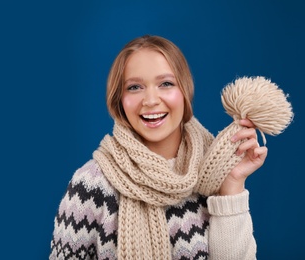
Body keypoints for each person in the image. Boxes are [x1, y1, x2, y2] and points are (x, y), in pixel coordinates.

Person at [49, 35, 268, 260]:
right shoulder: (90, 186)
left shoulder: (212, 175)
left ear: (185, 91)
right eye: (134, 87)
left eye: (166, 84)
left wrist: (231, 184)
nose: (151, 100)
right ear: (119, 100)